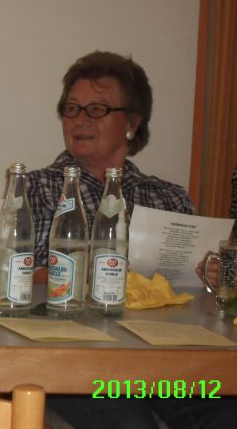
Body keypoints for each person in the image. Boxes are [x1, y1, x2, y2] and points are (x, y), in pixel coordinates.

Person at [27, 51, 234, 428]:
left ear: (132, 123)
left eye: (97, 109)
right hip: (79, 365)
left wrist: (212, 276)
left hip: (166, 369)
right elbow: (24, 276)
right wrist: (89, 276)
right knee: (128, 423)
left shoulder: (169, 197)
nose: (80, 120)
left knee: (226, 413)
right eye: (72, 108)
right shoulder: (37, 188)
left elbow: (195, 295)